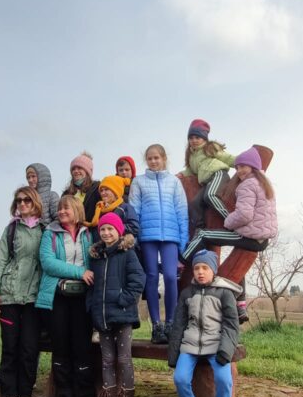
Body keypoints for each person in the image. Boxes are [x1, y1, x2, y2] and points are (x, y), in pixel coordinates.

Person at [168, 250, 241, 397]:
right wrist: (174, 354)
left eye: (205, 268)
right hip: (190, 344)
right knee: (180, 378)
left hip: (215, 344)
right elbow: (179, 324)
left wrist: (225, 351)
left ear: (213, 270)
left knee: (224, 380)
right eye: (196, 268)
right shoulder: (187, 293)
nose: (200, 272)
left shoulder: (224, 293)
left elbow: (231, 325)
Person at [36, 195, 98, 397]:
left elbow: (93, 261)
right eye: (59, 209)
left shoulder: (88, 234)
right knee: (61, 348)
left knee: (82, 348)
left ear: (77, 210)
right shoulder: (50, 234)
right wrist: (79, 272)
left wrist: (88, 273)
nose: (61, 212)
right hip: (57, 297)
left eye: (66, 208)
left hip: (82, 298)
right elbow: (48, 263)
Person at [87, 212, 146, 397]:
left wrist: (122, 300)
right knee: (107, 361)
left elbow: (138, 280)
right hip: (102, 317)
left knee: (123, 360)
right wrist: (92, 307)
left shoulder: (127, 253)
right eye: (102, 229)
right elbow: (92, 287)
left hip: (123, 316)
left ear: (119, 231)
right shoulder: (97, 257)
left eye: (110, 229)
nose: (106, 233)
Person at [0, 186, 44, 397]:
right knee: (10, 347)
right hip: (10, 296)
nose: (22, 204)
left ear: (35, 203)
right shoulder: (11, 229)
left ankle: (25, 396)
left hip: (33, 298)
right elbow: (0, 261)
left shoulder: (45, 230)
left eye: (27, 200)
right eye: (19, 201)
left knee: (29, 348)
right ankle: (10, 396)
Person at [129, 144, 188, 345]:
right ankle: (156, 325)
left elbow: (181, 212)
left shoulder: (174, 182)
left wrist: (183, 241)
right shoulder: (139, 182)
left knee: (171, 277)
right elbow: (134, 211)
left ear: (164, 158)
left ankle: (170, 323)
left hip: (170, 236)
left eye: (156, 158)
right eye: (150, 158)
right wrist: (135, 237)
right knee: (152, 277)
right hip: (147, 236)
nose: (153, 161)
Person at [183, 147, 277, 263]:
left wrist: (227, 222)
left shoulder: (247, 185)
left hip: (251, 237)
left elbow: (244, 215)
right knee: (208, 235)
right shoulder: (264, 183)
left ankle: (180, 262)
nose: (239, 171)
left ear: (253, 166)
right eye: (237, 168)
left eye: (243, 166)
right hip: (261, 238)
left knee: (202, 234)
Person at [182, 119, 236, 230]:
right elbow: (190, 171)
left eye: (197, 137)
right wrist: (180, 175)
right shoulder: (191, 156)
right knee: (194, 203)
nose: (194, 140)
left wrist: (243, 162)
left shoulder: (209, 148)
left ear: (204, 138)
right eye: (191, 138)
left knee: (210, 195)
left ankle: (231, 220)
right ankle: (200, 229)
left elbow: (228, 158)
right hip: (207, 183)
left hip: (219, 174)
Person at [88, 175, 139, 240]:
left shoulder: (125, 207)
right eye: (101, 190)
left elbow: (134, 228)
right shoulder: (99, 209)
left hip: (121, 244)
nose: (103, 193)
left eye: (106, 189)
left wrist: (114, 226)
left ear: (115, 192)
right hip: (103, 245)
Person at [63, 152, 101, 224]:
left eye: (79, 168)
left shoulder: (97, 188)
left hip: (92, 228)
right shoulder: (66, 194)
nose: (76, 171)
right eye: (73, 169)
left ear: (87, 171)